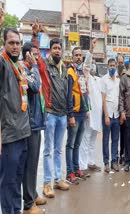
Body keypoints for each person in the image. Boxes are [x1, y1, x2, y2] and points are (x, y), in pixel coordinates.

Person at [32, 27, 70, 197]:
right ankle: (47, 183)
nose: (57, 50)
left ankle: (58, 179)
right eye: (54, 48)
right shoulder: (45, 66)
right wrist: (35, 36)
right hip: (50, 113)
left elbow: (67, 92)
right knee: (48, 149)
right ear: (51, 50)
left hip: (62, 115)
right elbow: (36, 55)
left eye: (59, 48)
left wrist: (69, 114)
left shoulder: (64, 68)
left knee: (58, 149)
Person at [0, 27, 31, 214]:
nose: (15, 46)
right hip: (9, 136)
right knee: (8, 181)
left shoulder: (19, 66)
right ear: (4, 44)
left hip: (24, 133)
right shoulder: (3, 64)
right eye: (11, 42)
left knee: (17, 179)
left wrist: (34, 37)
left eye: (18, 43)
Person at [21, 42, 47, 214]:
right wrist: (35, 67)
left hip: (36, 122)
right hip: (29, 124)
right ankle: (29, 204)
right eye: (33, 55)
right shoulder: (25, 70)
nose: (36, 58)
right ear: (26, 55)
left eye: (38, 55)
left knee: (34, 162)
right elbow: (36, 87)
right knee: (29, 164)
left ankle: (33, 193)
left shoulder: (32, 70)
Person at [65, 46, 90, 184]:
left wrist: (87, 109)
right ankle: (69, 173)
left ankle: (76, 169)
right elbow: (69, 95)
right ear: (72, 56)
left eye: (81, 55)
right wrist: (70, 115)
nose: (79, 57)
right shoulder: (70, 71)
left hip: (82, 112)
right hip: (74, 113)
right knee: (70, 144)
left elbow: (84, 92)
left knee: (78, 144)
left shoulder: (81, 71)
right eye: (76, 55)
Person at [79, 43, 102, 174]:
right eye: (91, 63)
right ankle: (83, 165)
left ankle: (91, 162)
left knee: (93, 138)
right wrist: (90, 51)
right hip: (89, 114)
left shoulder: (98, 79)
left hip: (97, 116)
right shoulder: (86, 77)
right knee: (86, 138)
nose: (92, 65)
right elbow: (86, 65)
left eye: (94, 63)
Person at [102, 58, 121, 172]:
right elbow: (103, 99)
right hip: (108, 115)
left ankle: (114, 161)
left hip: (116, 115)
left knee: (115, 139)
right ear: (108, 66)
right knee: (105, 139)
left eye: (114, 65)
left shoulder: (118, 80)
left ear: (116, 66)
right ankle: (106, 163)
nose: (112, 67)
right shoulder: (104, 80)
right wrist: (105, 115)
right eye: (110, 66)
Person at [116, 54, 126, 164]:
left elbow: (123, 96)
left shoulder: (125, 76)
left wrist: (122, 111)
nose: (120, 64)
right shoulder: (112, 75)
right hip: (113, 112)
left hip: (122, 112)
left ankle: (122, 155)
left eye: (121, 62)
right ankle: (114, 156)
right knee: (114, 136)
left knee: (124, 135)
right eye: (118, 62)